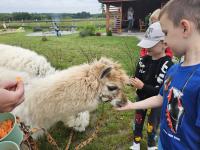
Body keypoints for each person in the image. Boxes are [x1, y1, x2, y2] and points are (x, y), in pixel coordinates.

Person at [116, 0, 200, 149]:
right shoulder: (173, 70)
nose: (165, 41)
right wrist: (131, 105)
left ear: (185, 28)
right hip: (164, 144)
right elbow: (160, 98)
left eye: (166, 33)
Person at [129, 22, 173, 150]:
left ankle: (151, 144)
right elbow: (137, 76)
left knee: (152, 123)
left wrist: (142, 86)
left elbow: (160, 92)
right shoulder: (143, 60)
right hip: (141, 99)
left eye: (151, 45)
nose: (147, 48)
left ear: (164, 44)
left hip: (156, 103)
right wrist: (132, 81)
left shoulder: (167, 65)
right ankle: (136, 142)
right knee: (138, 121)